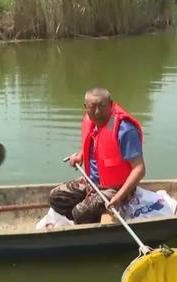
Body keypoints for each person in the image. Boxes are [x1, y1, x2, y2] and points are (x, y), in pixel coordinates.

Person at [49, 87, 145, 224]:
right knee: (56, 197)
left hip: (116, 188)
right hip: (92, 182)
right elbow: (95, 147)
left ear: (111, 104)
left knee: (79, 212)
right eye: (92, 107)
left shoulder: (124, 129)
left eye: (102, 106)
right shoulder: (91, 122)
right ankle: (90, 219)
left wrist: (119, 196)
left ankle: (88, 219)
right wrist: (80, 155)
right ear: (85, 107)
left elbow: (139, 169)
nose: (97, 112)